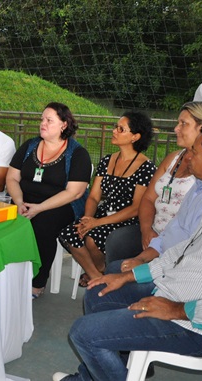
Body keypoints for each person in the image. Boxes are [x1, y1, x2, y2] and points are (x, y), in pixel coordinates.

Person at [53, 118, 202, 381]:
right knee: (99, 293)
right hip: (172, 293)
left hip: (196, 326)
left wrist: (175, 309)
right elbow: (183, 252)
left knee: (83, 333)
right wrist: (129, 276)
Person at [104, 102, 202, 264]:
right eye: (178, 123)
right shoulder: (173, 158)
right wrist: (146, 231)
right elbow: (148, 198)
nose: (176, 129)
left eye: (183, 124)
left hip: (179, 240)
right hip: (152, 230)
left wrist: (161, 241)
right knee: (117, 241)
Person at [58, 111, 156, 286]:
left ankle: (99, 269)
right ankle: (97, 275)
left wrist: (96, 223)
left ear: (135, 137)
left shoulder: (146, 167)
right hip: (103, 214)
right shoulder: (107, 161)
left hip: (127, 219)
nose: (114, 131)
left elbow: (136, 208)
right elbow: (94, 196)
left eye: (121, 129)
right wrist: (87, 219)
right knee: (69, 233)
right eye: (115, 127)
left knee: (92, 238)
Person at [6, 103, 93, 298]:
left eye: (49, 120)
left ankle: (37, 282)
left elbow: (74, 193)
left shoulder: (78, 154)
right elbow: (11, 178)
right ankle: (10, 277)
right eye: (42, 119)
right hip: (25, 201)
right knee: (8, 222)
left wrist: (40, 208)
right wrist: (19, 201)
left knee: (42, 225)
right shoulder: (30, 145)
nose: (42, 123)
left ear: (64, 124)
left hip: (60, 205)